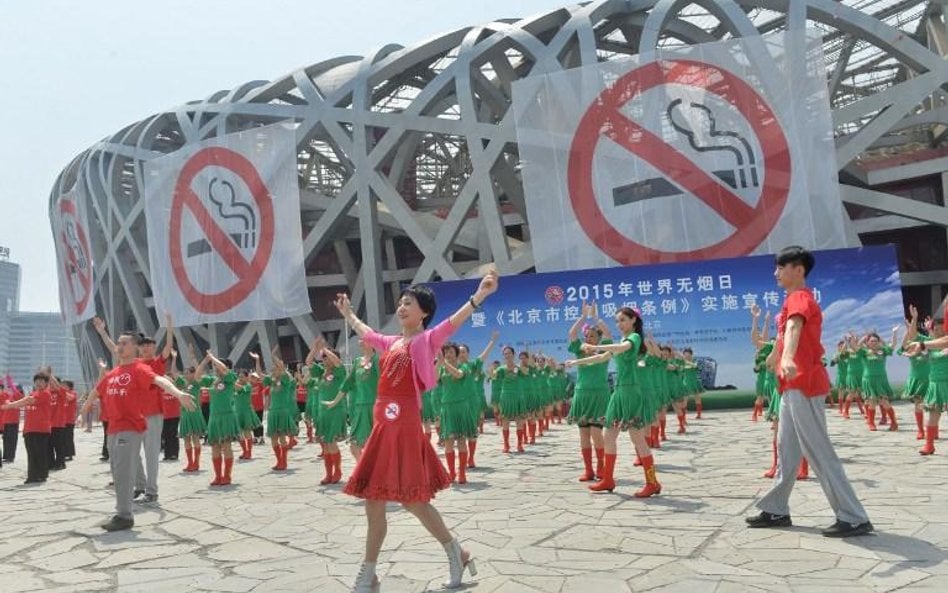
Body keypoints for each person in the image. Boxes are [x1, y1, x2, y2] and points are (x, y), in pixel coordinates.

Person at [336, 268, 498, 592]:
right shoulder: (391, 342)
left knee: (413, 501)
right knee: (373, 499)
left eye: (408, 302)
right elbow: (366, 333)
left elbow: (455, 320)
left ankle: (456, 552)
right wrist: (349, 313)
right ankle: (369, 574)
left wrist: (480, 295)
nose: (401, 307)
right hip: (382, 429)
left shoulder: (427, 340)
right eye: (400, 302)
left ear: (423, 312)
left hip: (405, 427)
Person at [745, 246, 873, 538]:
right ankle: (777, 509)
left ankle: (853, 516)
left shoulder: (801, 298)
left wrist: (787, 356)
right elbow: (783, 333)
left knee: (818, 450)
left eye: (781, 267)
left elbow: (794, 327)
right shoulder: (789, 301)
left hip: (805, 382)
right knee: (787, 449)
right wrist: (776, 355)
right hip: (790, 385)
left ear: (798, 269)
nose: (776, 273)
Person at [80, 331, 195, 531]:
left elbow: (160, 380)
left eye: (124, 343)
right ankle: (124, 509)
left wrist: (177, 393)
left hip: (131, 426)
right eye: (118, 343)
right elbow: (97, 390)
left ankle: (124, 515)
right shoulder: (114, 373)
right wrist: (84, 409)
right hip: (113, 427)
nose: (120, 346)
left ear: (135, 347)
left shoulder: (139, 369)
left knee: (124, 471)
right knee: (117, 470)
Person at [567, 307, 661, 497]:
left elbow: (620, 349)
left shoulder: (633, 338)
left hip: (630, 392)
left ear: (633, 320)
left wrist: (595, 346)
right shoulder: (620, 341)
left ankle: (652, 482)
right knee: (609, 436)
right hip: (619, 393)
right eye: (617, 321)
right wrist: (574, 363)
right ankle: (608, 479)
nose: (619, 324)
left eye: (623, 320)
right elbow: (603, 357)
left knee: (637, 439)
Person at [565, 302, 612, 481]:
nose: (589, 338)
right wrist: (582, 317)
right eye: (587, 335)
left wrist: (595, 318)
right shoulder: (579, 350)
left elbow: (608, 333)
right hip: (582, 394)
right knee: (583, 433)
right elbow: (572, 333)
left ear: (598, 339)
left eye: (592, 336)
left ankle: (601, 466)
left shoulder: (604, 348)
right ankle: (588, 470)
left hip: (599, 394)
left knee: (595, 432)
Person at [1, 373, 53, 484]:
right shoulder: (34, 393)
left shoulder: (45, 394)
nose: (38, 383)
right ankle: (33, 475)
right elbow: (26, 401)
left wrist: (9, 405)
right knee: (31, 453)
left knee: (40, 452)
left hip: (41, 428)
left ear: (46, 383)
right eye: (37, 381)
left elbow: (28, 401)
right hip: (29, 428)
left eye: (41, 381)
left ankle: (42, 474)